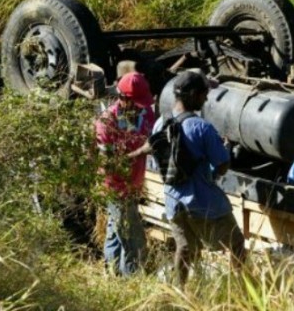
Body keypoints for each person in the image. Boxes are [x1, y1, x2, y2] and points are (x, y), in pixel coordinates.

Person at [154, 70, 246, 287]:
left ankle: (180, 291)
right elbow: (222, 164)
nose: (206, 99)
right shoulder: (201, 127)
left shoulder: (160, 124)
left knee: (185, 248)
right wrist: (223, 154)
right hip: (201, 201)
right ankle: (240, 290)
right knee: (237, 245)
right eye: (204, 94)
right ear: (194, 94)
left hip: (173, 202)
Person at [95, 71, 155, 276]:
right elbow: (109, 164)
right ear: (124, 99)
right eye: (137, 102)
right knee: (133, 238)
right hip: (116, 188)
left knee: (115, 231)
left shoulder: (146, 114)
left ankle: (111, 275)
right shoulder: (106, 123)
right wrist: (141, 151)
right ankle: (133, 279)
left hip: (134, 185)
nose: (142, 107)